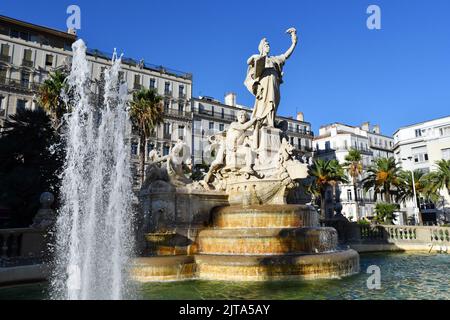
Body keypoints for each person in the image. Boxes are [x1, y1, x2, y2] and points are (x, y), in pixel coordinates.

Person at [244, 28, 298, 128]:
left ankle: (271, 122)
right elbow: (248, 62)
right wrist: (256, 57)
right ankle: (265, 122)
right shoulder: (258, 59)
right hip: (264, 84)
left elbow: (286, 55)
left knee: (273, 102)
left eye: (268, 45)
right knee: (266, 102)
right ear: (262, 48)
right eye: (266, 45)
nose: (268, 47)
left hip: (274, 83)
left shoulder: (274, 59)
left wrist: (294, 43)